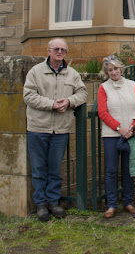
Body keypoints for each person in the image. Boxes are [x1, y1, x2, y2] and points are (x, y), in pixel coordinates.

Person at [23, 38, 87, 222]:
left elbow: (82, 93)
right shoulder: (36, 72)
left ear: (66, 53)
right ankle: (41, 204)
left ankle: (53, 201)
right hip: (38, 127)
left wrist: (68, 102)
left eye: (63, 49)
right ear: (49, 51)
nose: (60, 52)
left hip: (61, 129)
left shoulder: (72, 74)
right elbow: (28, 95)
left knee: (55, 169)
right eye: (56, 49)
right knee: (38, 168)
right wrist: (51, 104)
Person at [97, 54, 135, 219]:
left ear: (121, 68)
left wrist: (132, 128)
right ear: (107, 72)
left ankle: (127, 202)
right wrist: (119, 128)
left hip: (131, 134)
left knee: (128, 169)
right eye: (110, 70)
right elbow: (103, 113)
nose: (113, 72)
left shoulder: (132, 85)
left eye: (116, 69)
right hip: (112, 134)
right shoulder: (103, 88)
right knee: (111, 170)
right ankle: (111, 204)